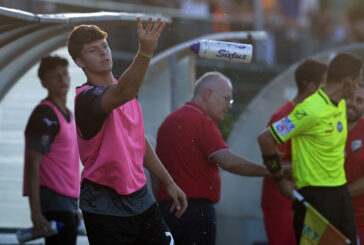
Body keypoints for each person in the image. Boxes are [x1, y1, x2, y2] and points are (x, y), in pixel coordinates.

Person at [67, 17, 187, 245]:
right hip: (104, 206)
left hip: (142, 200)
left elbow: (138, 142)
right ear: (80, 62)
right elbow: (122, 93)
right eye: (93, 50)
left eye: (105, 46)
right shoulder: (86, 98)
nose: (103, 53)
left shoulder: (127, 89)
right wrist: (145, 52)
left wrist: (168, 181)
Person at [257, 53, 363, 244]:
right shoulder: (310, 110)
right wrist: (280, 180)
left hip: (340, 193)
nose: (357, 89)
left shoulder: (340, 104)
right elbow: (266, 139)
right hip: (316, 197)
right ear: (348, 82)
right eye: (357, 82)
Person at [155, 71, 269, 245]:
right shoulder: (202, 121)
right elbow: (228, 162)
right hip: (196, 213)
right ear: (208, 94)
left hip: (167, 210)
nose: (229, 106)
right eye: (227, 98)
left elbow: (155, 171)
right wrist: (270, 171)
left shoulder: (168, 122)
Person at [261, 59, 328, 245]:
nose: (331, 88)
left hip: (301, 200)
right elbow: (273, 162)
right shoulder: (286, 116)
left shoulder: (314, 114)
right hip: (282, 201)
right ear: (311, 86)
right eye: (325, 82)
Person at [22, 55, 80, 245]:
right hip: (54, 202)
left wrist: (74, 207)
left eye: (65, 73)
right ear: (44, 82)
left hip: (68, 202)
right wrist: (36, 212)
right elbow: (33, 165)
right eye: (56, 76)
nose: (63, 79)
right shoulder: (44, 114)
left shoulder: (68, 114)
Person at [345, 83, 364, 244]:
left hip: (361, 220)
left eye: (359, 100)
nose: (353, 103)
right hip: (325, 216)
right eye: (350, 98)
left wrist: (339, 195)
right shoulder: (325, 126)